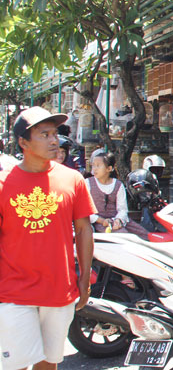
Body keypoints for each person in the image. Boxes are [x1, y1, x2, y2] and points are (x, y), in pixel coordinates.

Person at [0, 107, 96, 370]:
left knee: (47, 364)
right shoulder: (4, 183)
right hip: (13, 291)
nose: (54, 140)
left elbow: (84, 230)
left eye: (55, 134)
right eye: (44, 134)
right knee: (15, 365)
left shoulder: (72, 179)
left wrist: (85, 278)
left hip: (58, 289)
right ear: (23, 142)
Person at [86, 152, 149, 239]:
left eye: (98, 165)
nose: (94, 169)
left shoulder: (118, 185)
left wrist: (118, 220)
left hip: (116, 221)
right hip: (96, 222)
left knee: (144, 235)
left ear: (109, 168)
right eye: (93, 165)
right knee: (124, 237)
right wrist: (101, 220)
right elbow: (85, 211)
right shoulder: (88, 183)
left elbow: (122, 209)